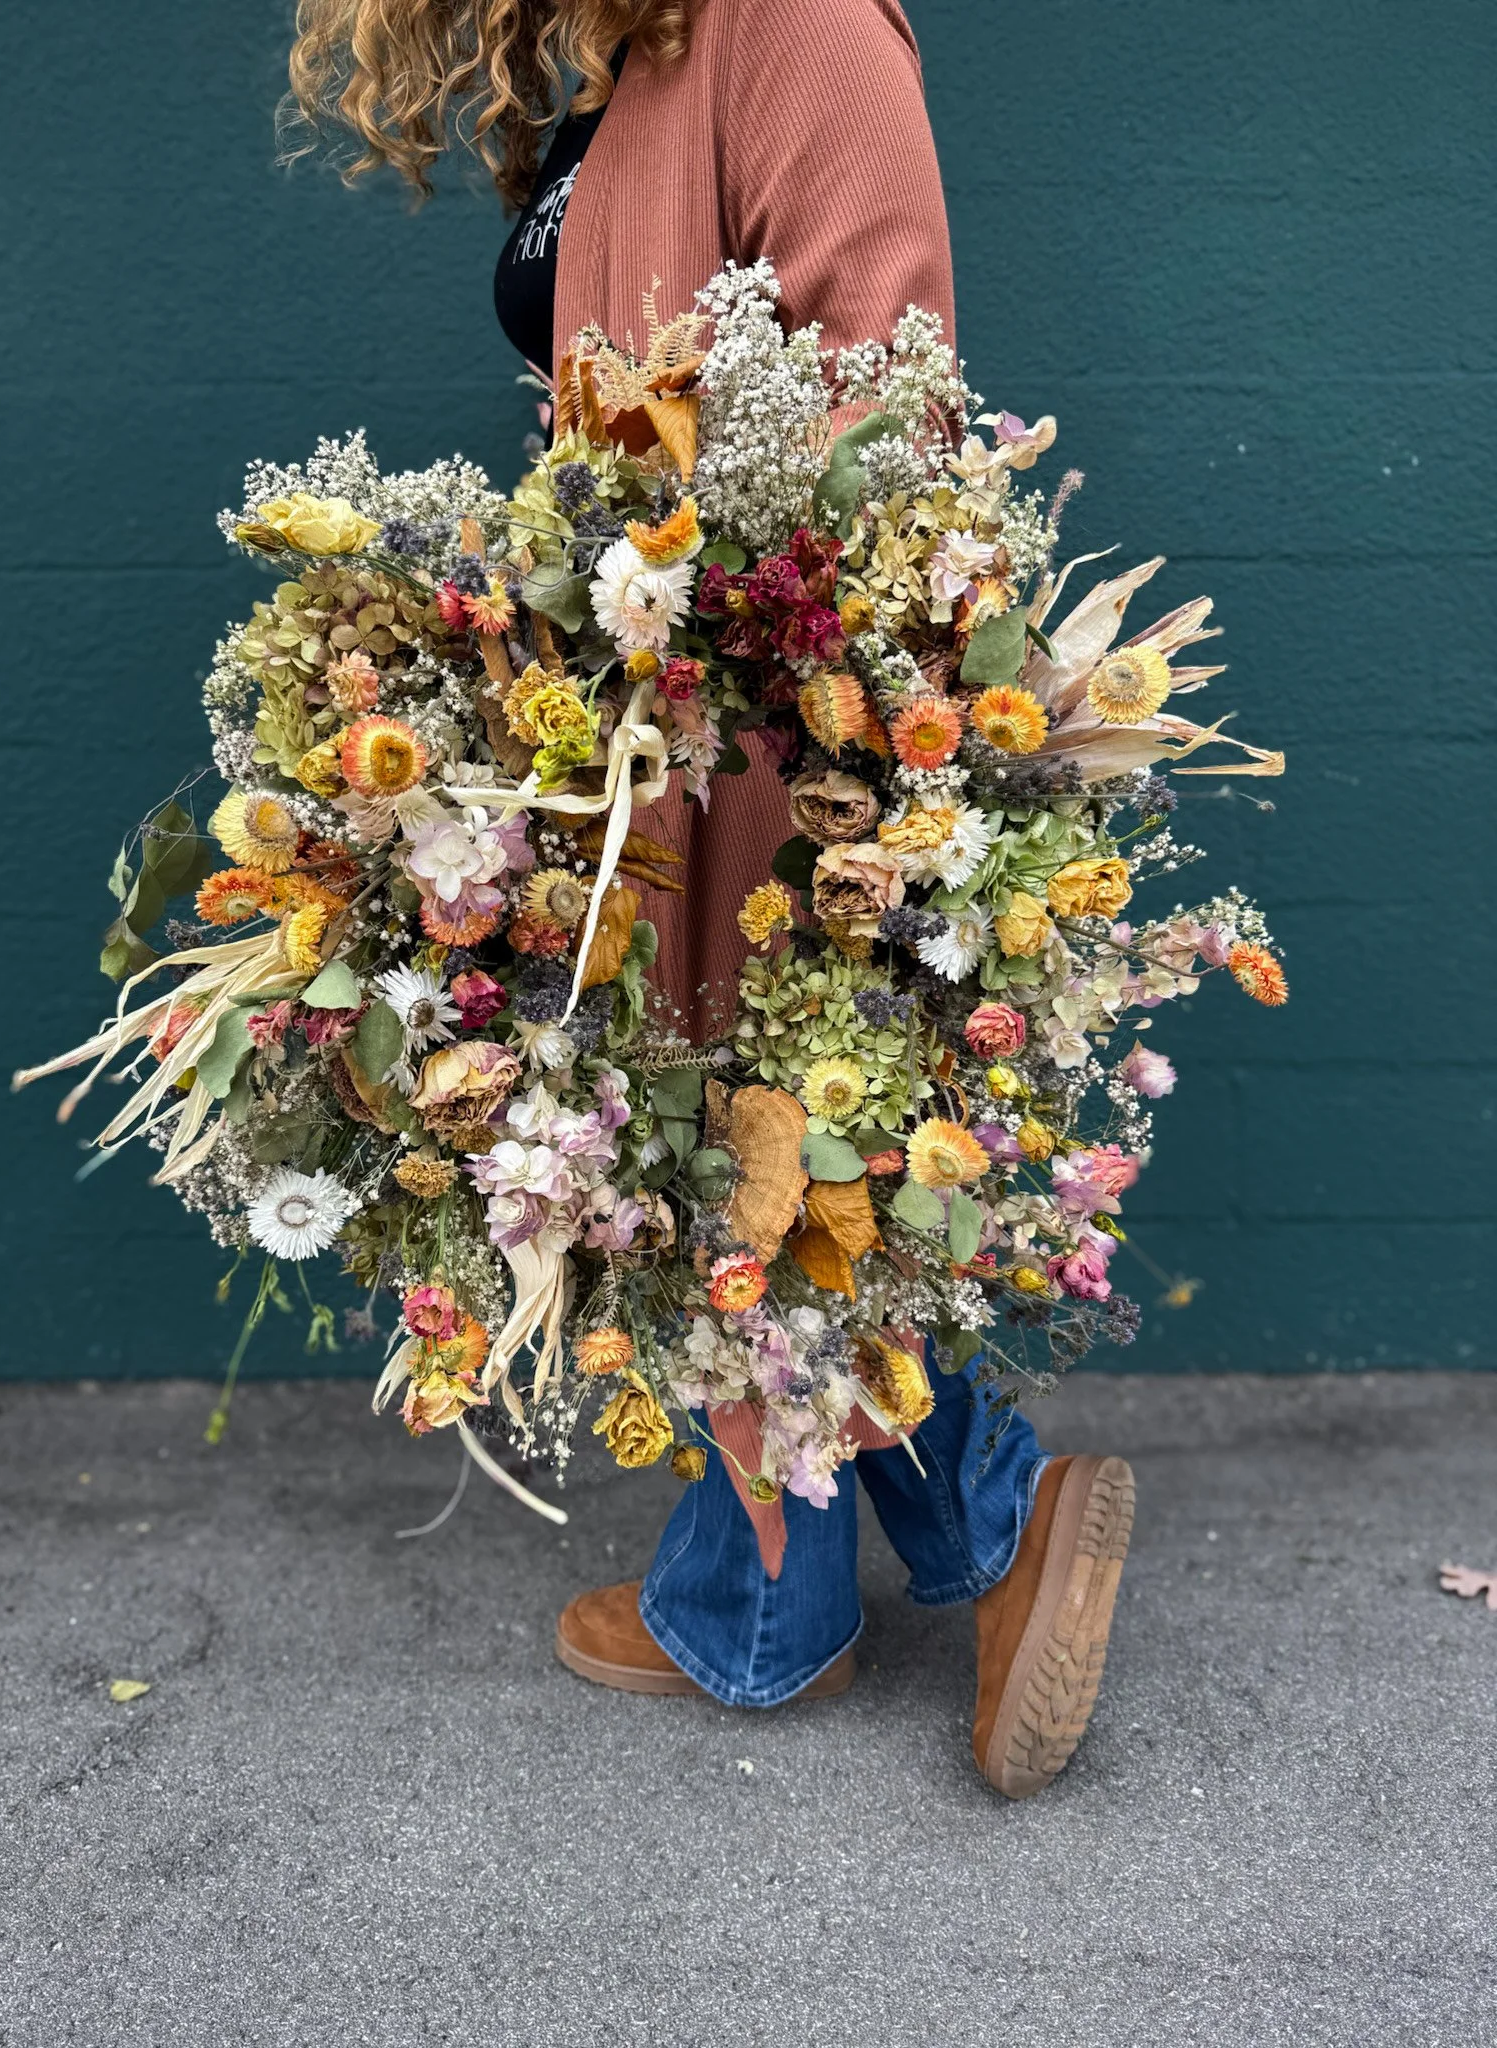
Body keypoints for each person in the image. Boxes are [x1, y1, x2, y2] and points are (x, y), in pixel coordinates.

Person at [289, 0, 1136, 1798]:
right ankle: (967, 1522)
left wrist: (669, 648)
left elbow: (883, 383)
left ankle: (776, 1608)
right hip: (639, 711)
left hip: (750, 718)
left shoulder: (794, 19)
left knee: (734, 1137)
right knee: (725, 1148)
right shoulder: (636, 47)